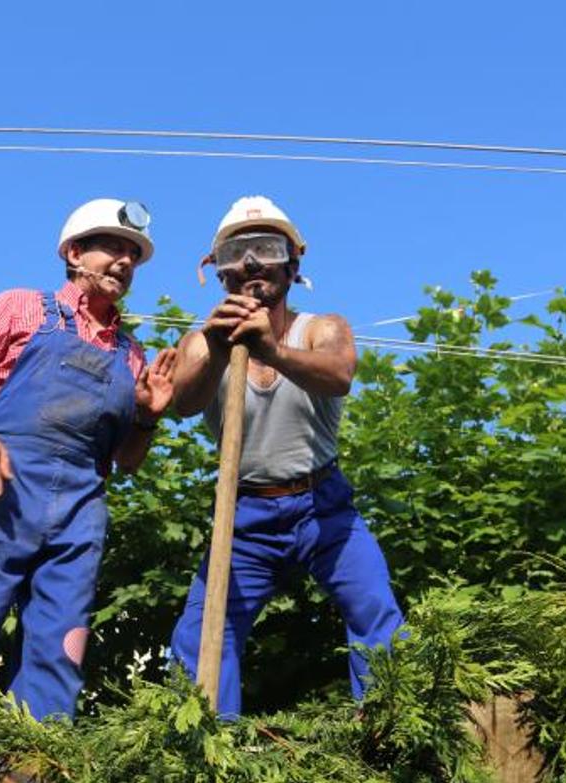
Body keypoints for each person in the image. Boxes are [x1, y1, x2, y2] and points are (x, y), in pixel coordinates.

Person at [0, 198, 176, 721]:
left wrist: (149, 416)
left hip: (81, 508)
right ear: (74, 252)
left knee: (61, 651)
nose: (125, 261)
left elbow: (127, 462)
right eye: (113, 247)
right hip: (2, 492)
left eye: (133, 253)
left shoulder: (132, 355)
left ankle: (34, 781)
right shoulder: (22, 306)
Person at [168, 195, 405, 718]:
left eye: (267, 249)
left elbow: (339, 374)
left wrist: (270, 350)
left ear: (293, 264)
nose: (252, 263)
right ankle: (207, 749)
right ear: (219, 272)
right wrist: (216, 343)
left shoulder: (321, 328)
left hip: (324, 506)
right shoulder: (200, 342)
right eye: (238, 252)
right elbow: (183, 404)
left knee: (375, 613)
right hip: (244, 514)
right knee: (200, 636)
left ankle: (391, 736)